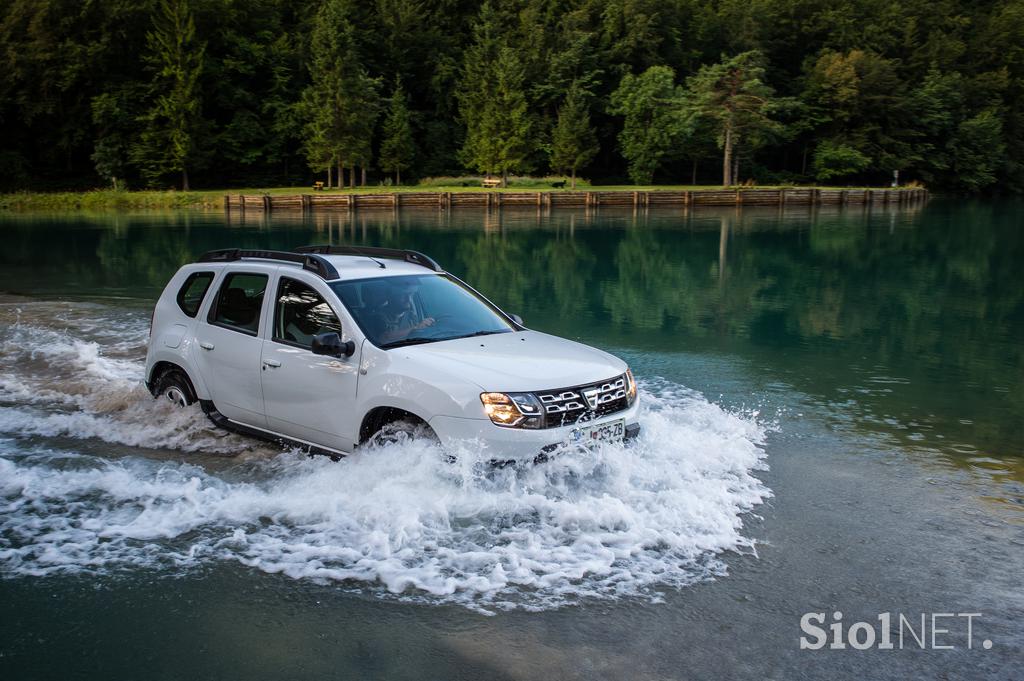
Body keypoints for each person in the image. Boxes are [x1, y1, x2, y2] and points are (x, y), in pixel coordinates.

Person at [365, 279, 435, 344]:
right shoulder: (377, 317)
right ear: (391, 297)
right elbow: (383, 339)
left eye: (411, 295)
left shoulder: (412, 315)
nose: (408, 299)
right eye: (403, 295)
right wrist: (416, 328)